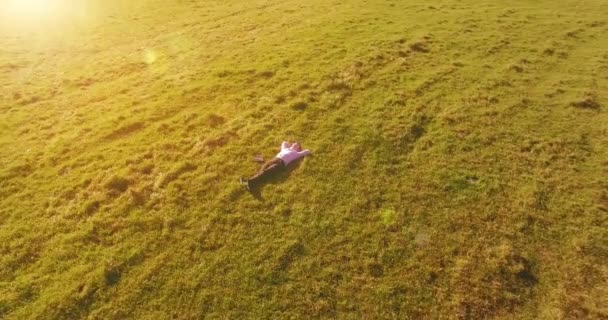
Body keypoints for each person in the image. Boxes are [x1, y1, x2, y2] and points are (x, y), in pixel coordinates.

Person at [240, 141, 311, 190]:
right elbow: (284, 142)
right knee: (262, 169)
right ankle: (252, 184)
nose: (295, 145)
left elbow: (307, 151)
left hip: (280, 163)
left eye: (297, 145)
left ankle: (248, 182)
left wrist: (299, 151)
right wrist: (290, 146)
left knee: (265, 172)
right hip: (274, 159)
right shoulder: (285, 148)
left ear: (298, 149)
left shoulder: (296, 154)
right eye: (294, 144)